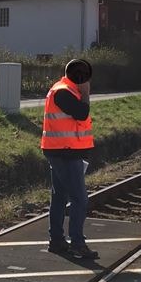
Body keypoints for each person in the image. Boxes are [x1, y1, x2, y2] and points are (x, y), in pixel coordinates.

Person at [41, 58, 98, 259]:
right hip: (64, 152)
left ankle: (56, 241)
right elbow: (82, 114)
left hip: (64, 151)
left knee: (59, 197)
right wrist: (86, 94)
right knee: (79, 198)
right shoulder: (63, 91)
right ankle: (77, 243)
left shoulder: (66, 89)